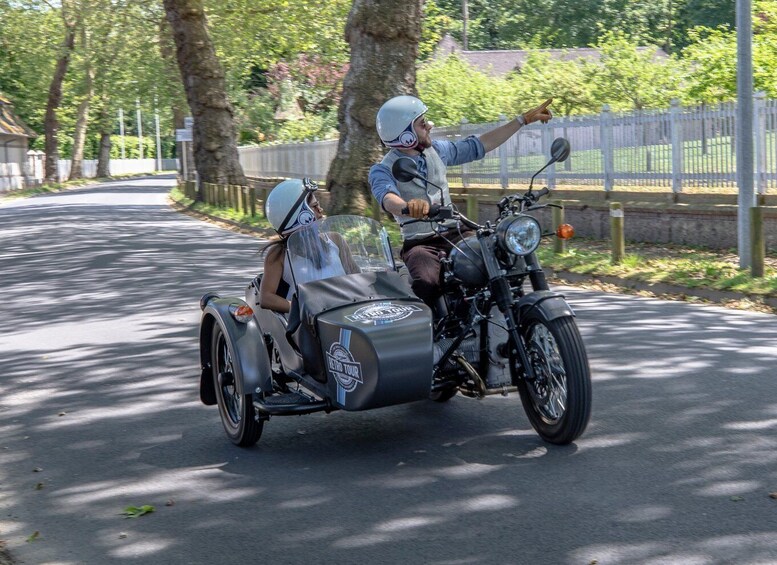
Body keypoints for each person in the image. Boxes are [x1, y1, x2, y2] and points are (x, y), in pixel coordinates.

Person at [369, 95, 553, 309]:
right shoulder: (382, 169)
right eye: (422, 123)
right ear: (406, 135)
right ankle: (431, 331)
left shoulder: (437, 150)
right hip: (421, 243)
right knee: (426, 282)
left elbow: (480, 145)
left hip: (457, 231)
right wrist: (407, 207)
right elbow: (387, 197)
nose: (429, 126)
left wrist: (522, 120)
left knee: (501, 261)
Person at [259, 178, 357, 313]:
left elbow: (357, 277)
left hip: (345, 313)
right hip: (308, 326)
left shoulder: (336, 240)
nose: (320, 209)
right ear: (300, 215)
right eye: (315, 206)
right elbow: (266, 297)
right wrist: (303, 308)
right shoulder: (279, 254)